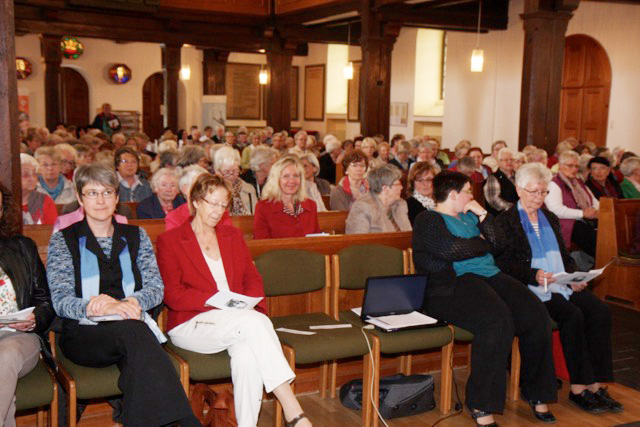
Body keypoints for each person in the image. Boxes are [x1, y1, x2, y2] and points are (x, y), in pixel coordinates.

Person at [46, 164, 200, 427]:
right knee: (137, 334)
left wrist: (133, 301)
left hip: (131, 329)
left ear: (117, 198)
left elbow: (155, 287)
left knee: (137, 357)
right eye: (92, 193)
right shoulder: (64, 240)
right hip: (85, 334)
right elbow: (60, 300)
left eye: (107, 192)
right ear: (81, 199)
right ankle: (187, 423)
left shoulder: (136, 236)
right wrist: (99, 308)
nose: (101, 200)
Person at [156, 174, 311, 427]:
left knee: (248, 354)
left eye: (223, 205)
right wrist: (217, 300)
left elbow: (252, 279)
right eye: (212, 203)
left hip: (237, 320)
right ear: (195, 201)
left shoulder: (232, 236)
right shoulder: (170, 241)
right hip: (191, 323)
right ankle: (292, 408)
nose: (218, 211)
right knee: (253, 323)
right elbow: (172, 294)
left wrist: (248, 303)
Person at [412, 171, 557, 427]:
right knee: (497, 321)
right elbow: (452, 250)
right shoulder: (428, 220)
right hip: (451, 285)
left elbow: (499, 242)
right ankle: (481, 403)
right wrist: (483, 243)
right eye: (468, 191)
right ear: (454, 194)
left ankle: (536, 391)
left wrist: (481, 215)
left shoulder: (470, 216)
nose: (471, 196)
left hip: (490, 275)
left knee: (537, 316)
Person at [493, 163, 622, 415]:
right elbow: (501, 263)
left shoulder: (549, 217)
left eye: (543, 192)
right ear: (519, 190)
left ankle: (595, 382)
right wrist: (534, 274)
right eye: (534, 192)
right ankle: (578, 387)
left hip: (559, 282)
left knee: (599, 311)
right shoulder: (505, 222)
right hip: (531, 288)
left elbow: (563, 255)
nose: (540, 198)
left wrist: (575, 276)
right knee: (572, 315)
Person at [0, 183, 55, 427]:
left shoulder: (22, 247)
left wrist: (35, 319)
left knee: (6, 356)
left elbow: (44, 302)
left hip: (19, 338)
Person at [545, 150, 599, 258]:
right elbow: (556, 210)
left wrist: (592, 210)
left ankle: (605, 263)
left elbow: (595, 201)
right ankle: (604, 261)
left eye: (576, 166)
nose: (574, 169)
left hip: (583, 220)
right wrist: (582, 213)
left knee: (606, 233)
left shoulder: (578, 182)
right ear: (560, 165)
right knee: (593, 240)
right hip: (564, 223)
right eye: (570, 166)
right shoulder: (554, 183)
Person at [253, 156, 320, 239]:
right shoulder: (263, 207)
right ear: (276, 179)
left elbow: (317, 241)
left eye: (296, 176)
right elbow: (262, 245)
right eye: (286, 176)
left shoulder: (311, 205)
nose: (292, 181)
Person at [345, 164, 410, 234]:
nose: (401, 187)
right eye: (398, 184)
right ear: (385, 188)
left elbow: (408, 235)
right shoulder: (363, 207)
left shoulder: (400, 204)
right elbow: (358, 241)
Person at [214, 146, 257, 215]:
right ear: (217, 171)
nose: (231, 176)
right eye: (227, 172)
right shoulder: (211, 191)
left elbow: (255, 217)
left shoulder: (249, 190)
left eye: (235, 171)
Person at [21, 153, 57, 225]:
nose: (32, 179)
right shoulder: (3, 200)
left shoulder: (44, 200)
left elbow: (53, 232)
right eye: (26, 174)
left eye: (34, 174)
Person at [483, 147, 518, 216]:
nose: (509, 162)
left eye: (511, 159)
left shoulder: (518, 176)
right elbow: (494, 200)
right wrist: (514, 209)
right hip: (501, 217)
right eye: (506, 160)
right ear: (498, 162)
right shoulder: (493, 178)